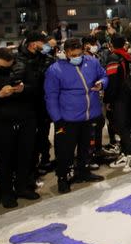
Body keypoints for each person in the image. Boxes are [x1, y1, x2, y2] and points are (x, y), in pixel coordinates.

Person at [0, 48, 39, 208]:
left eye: (11, 66)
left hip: (25, 119)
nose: (8, 69)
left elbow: (35, 88)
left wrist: (24, 89)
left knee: (25, 155)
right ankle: (6, 192)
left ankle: (22, 186)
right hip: (0, 122)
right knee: (4, 160)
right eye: (4, 67)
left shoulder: (21, 67)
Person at [44, 38, 107, 194]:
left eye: (79, 54)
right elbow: (51, 96)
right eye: (73, 55)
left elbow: (104, 76)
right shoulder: (55, 69)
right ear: (66, 53)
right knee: (65, 151)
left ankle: (83, 172)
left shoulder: (91, 62)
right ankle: (62, 178)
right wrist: (57, 119)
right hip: (67, 119)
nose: (76, 57)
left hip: (89, 115)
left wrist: (102, 83)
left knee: (86, 147)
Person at [14, 32, 54, 176]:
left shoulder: (46, 58)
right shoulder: (19, 60)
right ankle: (31, 166)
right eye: (42, 43)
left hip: (44, 102)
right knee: (30, 138)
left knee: (44, 133)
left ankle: (45, 159)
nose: (46, 46)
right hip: (28, 105)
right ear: (33, 44)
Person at [104, 35, 131, 173]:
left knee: (121, 126)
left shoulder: (113, 58)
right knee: (128, 125)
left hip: (119, 98)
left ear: (111, 45)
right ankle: (126, 153)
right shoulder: (129, 57)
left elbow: (112, 82)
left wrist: (108, 100)